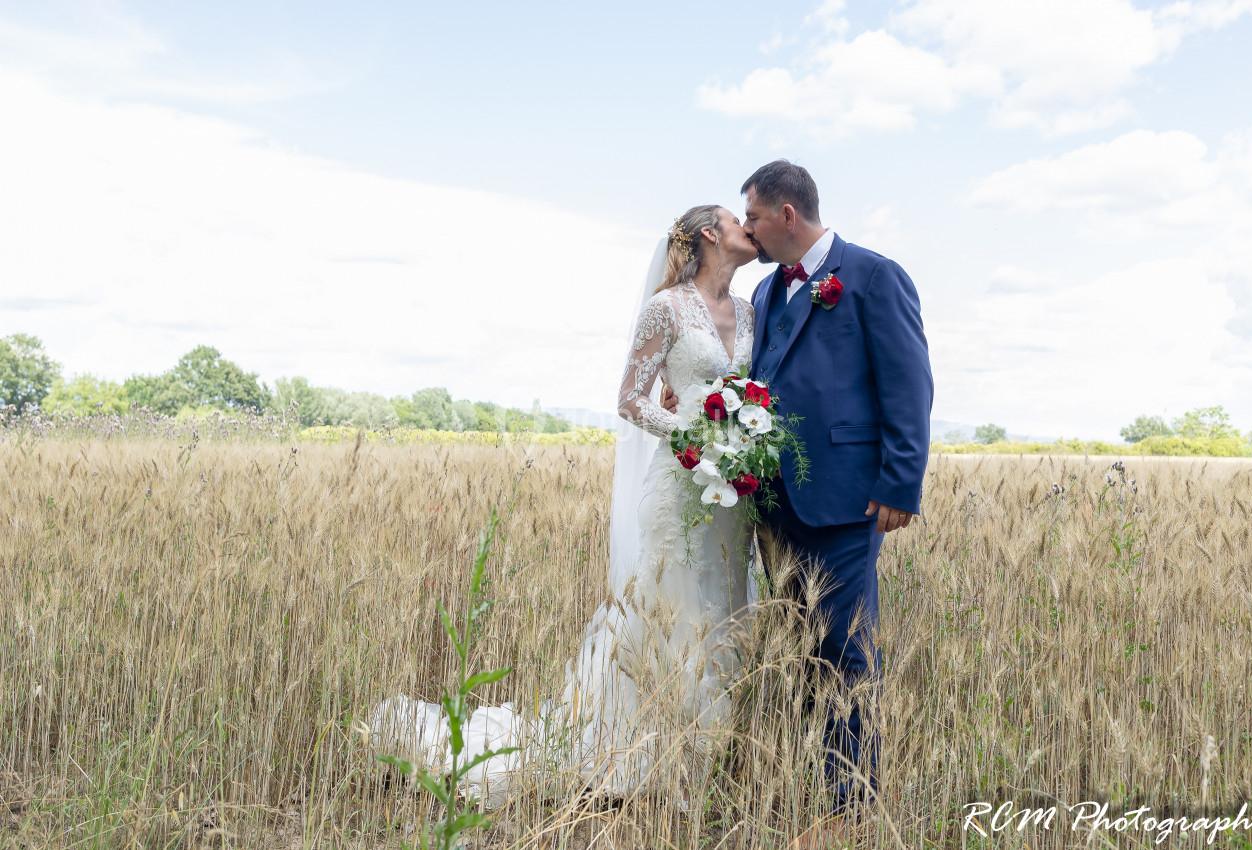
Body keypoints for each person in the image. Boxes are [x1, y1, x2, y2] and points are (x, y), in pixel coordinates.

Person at [367, 204, 763, 812]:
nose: (748, 227)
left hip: (731, 496)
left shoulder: (750, 311)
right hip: (681, 483)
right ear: (710, 234)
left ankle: (712, 762)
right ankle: (647, 757)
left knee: (725, 615)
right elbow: (631, 400)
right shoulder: (667, 308)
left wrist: (740, 442)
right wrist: (693, 438)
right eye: (737, 219)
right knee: (673, 615)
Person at [662, 160, 933, 847]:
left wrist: (900, 484)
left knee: (845, 653)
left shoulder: (872, 276)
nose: (744, 228)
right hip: (772, 501)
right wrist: (694, 396)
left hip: (846, 501)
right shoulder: (771, 291)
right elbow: (755, 377)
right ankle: (807, 784)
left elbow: (909, 385)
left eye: (751, 216)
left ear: (786, 214)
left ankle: (851, 809)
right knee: (800, 653)